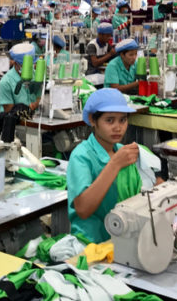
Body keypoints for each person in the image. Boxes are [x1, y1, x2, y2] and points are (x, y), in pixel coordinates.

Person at [67, 88, 159, 243]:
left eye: (122, 120)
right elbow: (82, 209)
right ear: (93, 120)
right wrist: (115, 164)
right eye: (109, 120)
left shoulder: (121, 151)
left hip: (121, 236)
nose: (118, 127)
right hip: (91, 242)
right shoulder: (81, 156)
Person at [0, 43, 42, 112]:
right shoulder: (5, 82)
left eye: (31, 64)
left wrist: (36, 103)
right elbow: (9, 111)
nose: (30, 68)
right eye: (25, 65)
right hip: (15, 121)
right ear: (15, 63)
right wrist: (26, 109)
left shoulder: (35, 75)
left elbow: (39, 96)